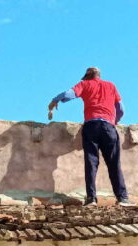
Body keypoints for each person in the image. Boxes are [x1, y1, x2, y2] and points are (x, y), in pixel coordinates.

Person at [48, 67, 133, 206]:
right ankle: (122, 198)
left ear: (87, 76)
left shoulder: (85, 84)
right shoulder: (111, 86)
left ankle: (91, 199)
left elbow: (69, 94)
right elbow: (121, 109)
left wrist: (54, 101)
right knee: (114, 163)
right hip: (109, 127)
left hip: (91, 126)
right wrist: (114, 121)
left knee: (91, 163)